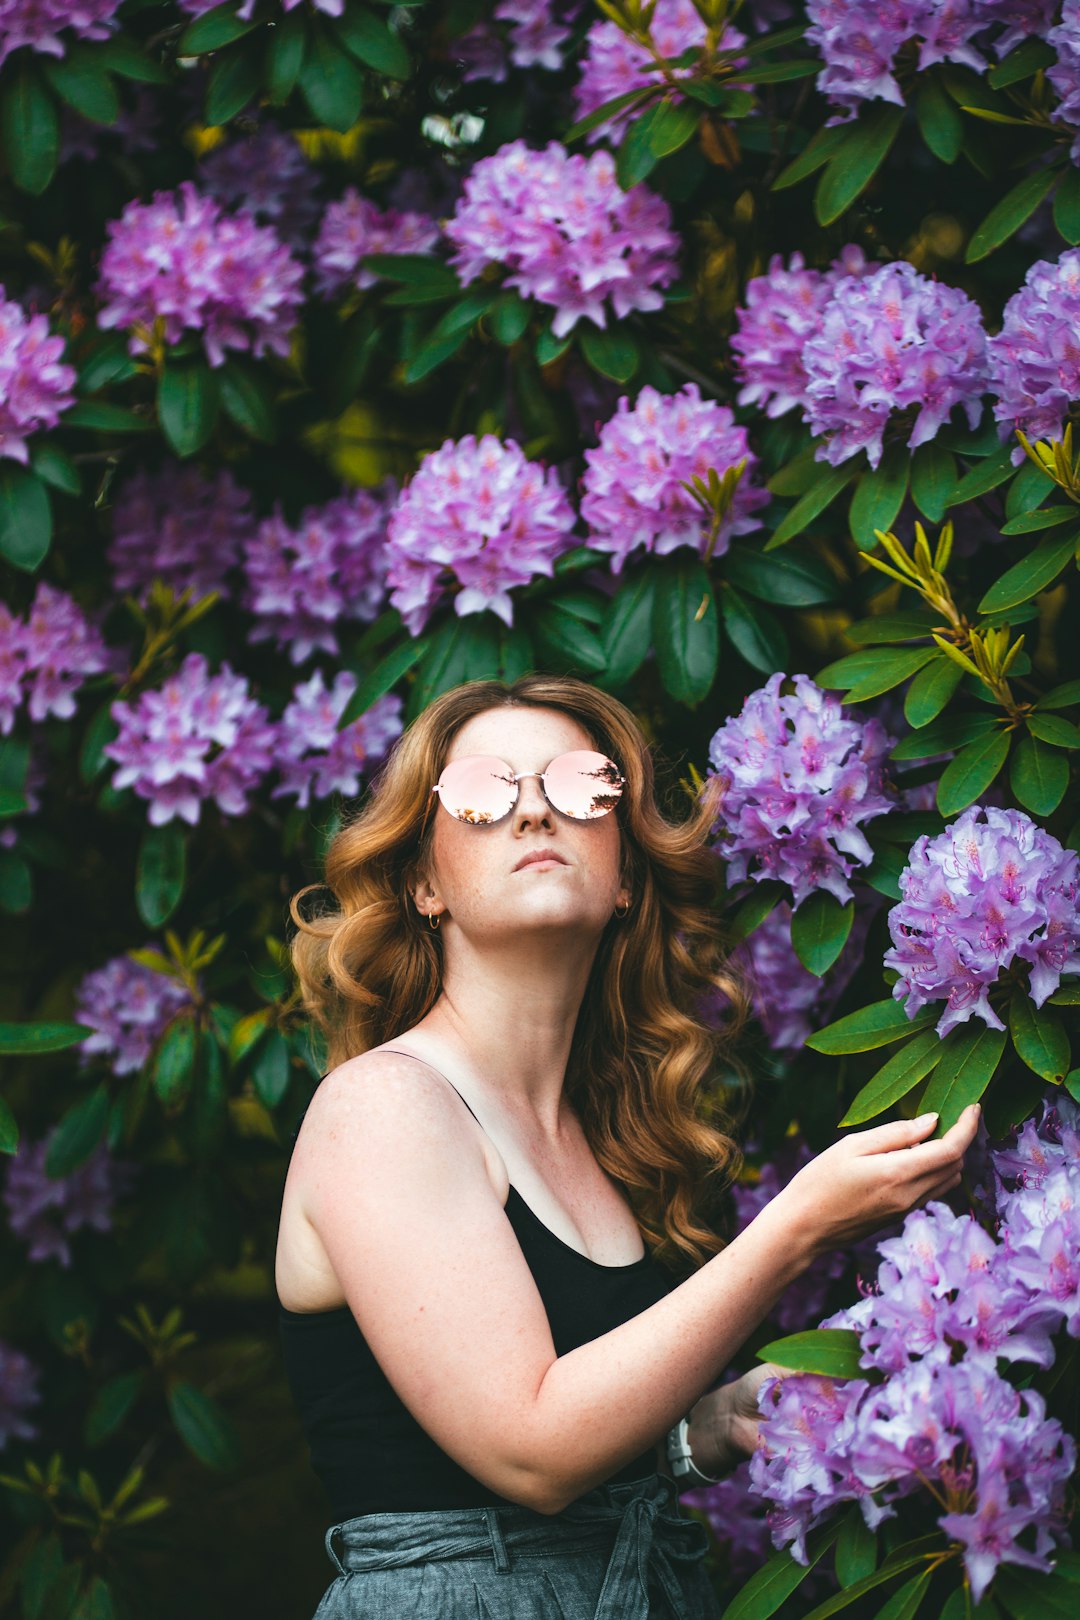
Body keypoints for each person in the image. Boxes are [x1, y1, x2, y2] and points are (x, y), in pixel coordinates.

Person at [275, 673, 979, 1619]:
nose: (533, 813)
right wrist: (794, 1232)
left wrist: (711, 1425)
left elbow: (578, 1426)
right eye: (484, 791)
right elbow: (532, 1450)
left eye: (580, 787)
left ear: (623, 880)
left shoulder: (593, 1136)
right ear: (425, 884)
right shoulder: (387, 1106)